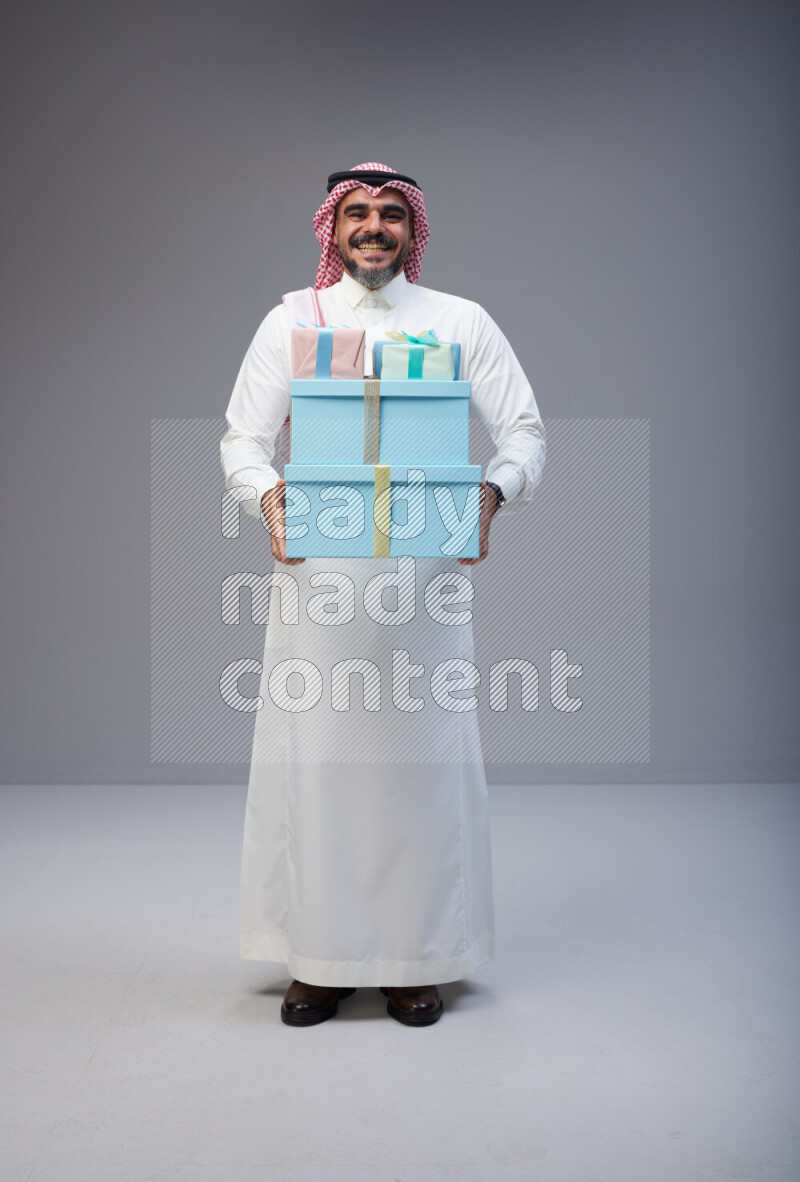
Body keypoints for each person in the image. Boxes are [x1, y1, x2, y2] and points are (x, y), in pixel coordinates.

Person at [220, 162, 546, 1027]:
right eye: (357, 213)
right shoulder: (292, 319)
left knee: (419, 766)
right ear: (333, 226)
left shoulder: (458, 322)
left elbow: (523, 429)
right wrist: (269, 500)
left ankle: (416, 958)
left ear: (413, 229)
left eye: (391, 214)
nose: (373, 227)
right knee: (320, 764)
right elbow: (242, 438)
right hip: (317, 581)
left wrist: (492, 494)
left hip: (424, 583)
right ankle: (320, 962)